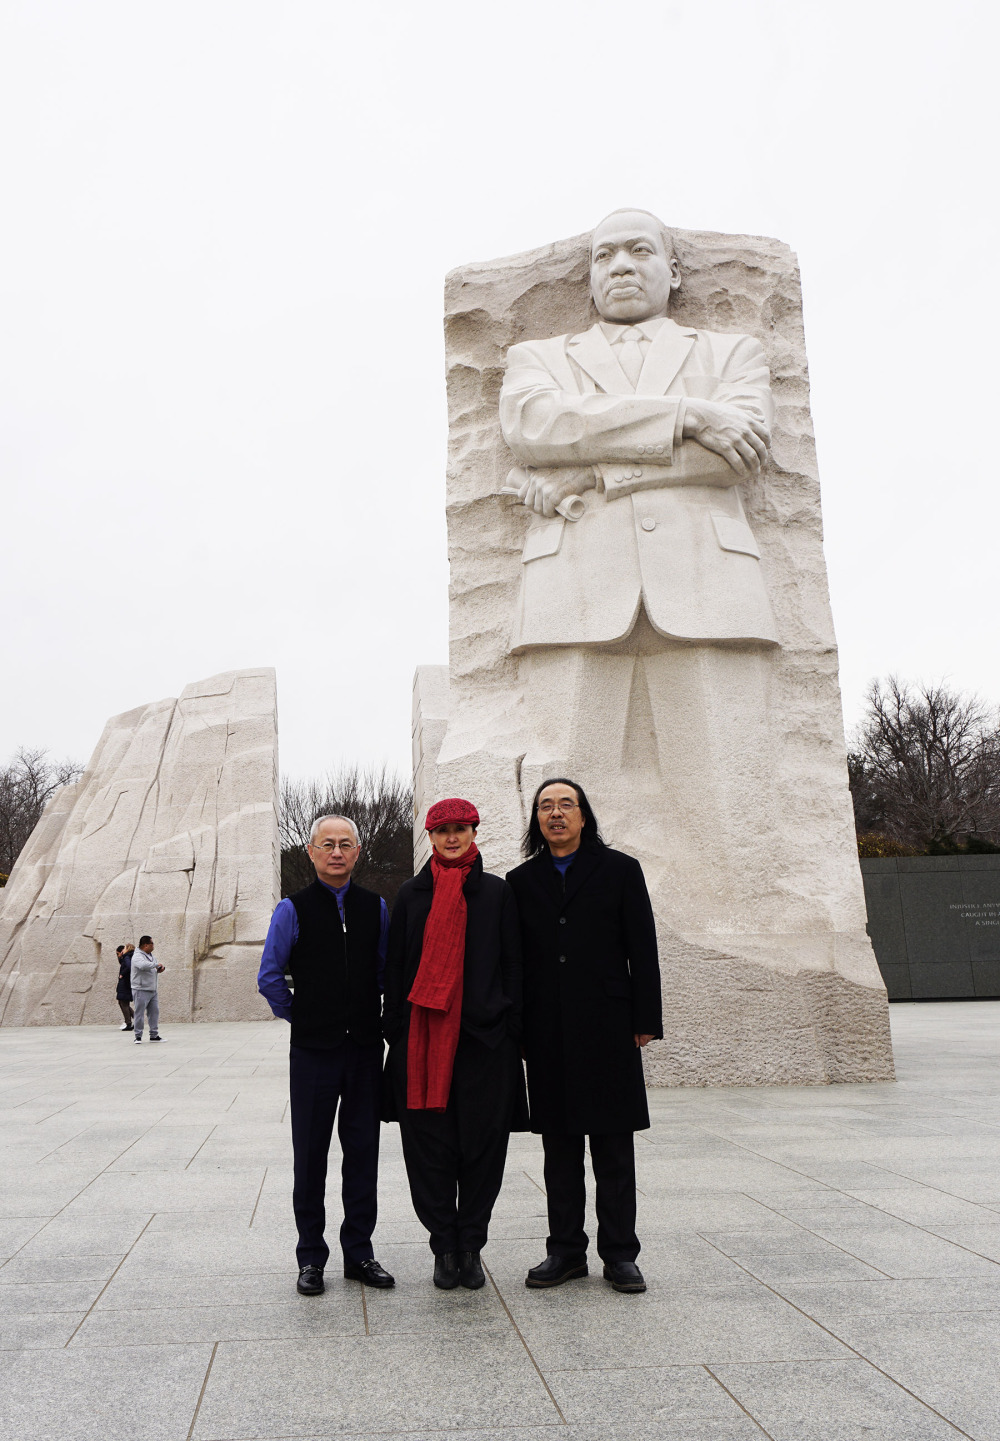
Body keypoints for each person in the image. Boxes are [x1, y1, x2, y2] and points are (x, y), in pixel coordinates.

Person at [506, 778, 662, 1294]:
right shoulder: (520, 880)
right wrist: (519, 1029)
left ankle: (620, 1254)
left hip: (609, 1028)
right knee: (560, 1150)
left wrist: (645, 1020)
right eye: (545, 806)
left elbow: (642, 948)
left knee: (614, 1148)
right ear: (536, 819)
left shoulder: (620, 870)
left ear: (583, 816)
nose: (555, 814)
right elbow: (517, 963)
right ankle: (566, 1251)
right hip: (547, 1033)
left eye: (565, 805)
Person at [382, 798, 525, 1290]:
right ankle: (444, 1246)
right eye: (441, 830)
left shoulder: (497, 894)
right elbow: (396, 967)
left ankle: (472, 1244)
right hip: (422, 1043)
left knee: (484, 1150)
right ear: (430, 835)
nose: (451, 838)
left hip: (485, 1044)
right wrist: (396, 1031)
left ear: (473, 831)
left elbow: (513, 964)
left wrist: (509, 1026)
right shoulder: (411, 895)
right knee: (429, 1150)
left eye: (460, 829)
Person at [257, 814, 395, 1297]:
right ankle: (311, 1257)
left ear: (358, 852)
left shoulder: (375, 907)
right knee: (310, 1156)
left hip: (362, 1051)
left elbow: (384, 973)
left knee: (362, 1154)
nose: (337, 852)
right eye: (327, 845)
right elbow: (269, 977)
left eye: (346, 844)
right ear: (312, 853)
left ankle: (359, 1252)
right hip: (314, 1054)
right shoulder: (290, 909)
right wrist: (302, 1015)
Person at [131, 936, 165, 1043]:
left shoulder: (151, 956)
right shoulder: (137, 956)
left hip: (152, 989)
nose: (153, 945)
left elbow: (152, 968)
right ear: (146, 945)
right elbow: (142, 965)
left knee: (154, 1012)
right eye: (152, 943)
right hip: (141, 989)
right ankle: (138, 1036)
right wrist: (156, 965)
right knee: (139, 1013)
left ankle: (154, 1035)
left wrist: (158, 969)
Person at [115, 945, 134, 1030]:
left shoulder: (127, 957)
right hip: (125, 984)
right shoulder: (126, 957)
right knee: (122, 1003)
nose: (118, 956)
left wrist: (122, 974)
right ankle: (136, 1019)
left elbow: (129, 967)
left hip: (125, 984)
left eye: (118, 954)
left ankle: (128, 1023)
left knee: (124, 1003)